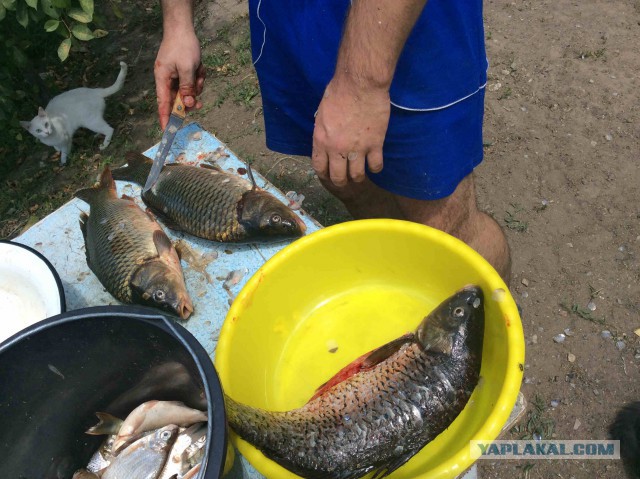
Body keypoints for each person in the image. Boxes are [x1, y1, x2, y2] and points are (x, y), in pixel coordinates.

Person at [154, 0, 512, 284]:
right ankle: (411, 287)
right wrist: (177, 24)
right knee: (347, 179)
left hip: (400, 24)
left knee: (446, 234)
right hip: (288, 20)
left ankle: (496, 337)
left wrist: (361, 84)